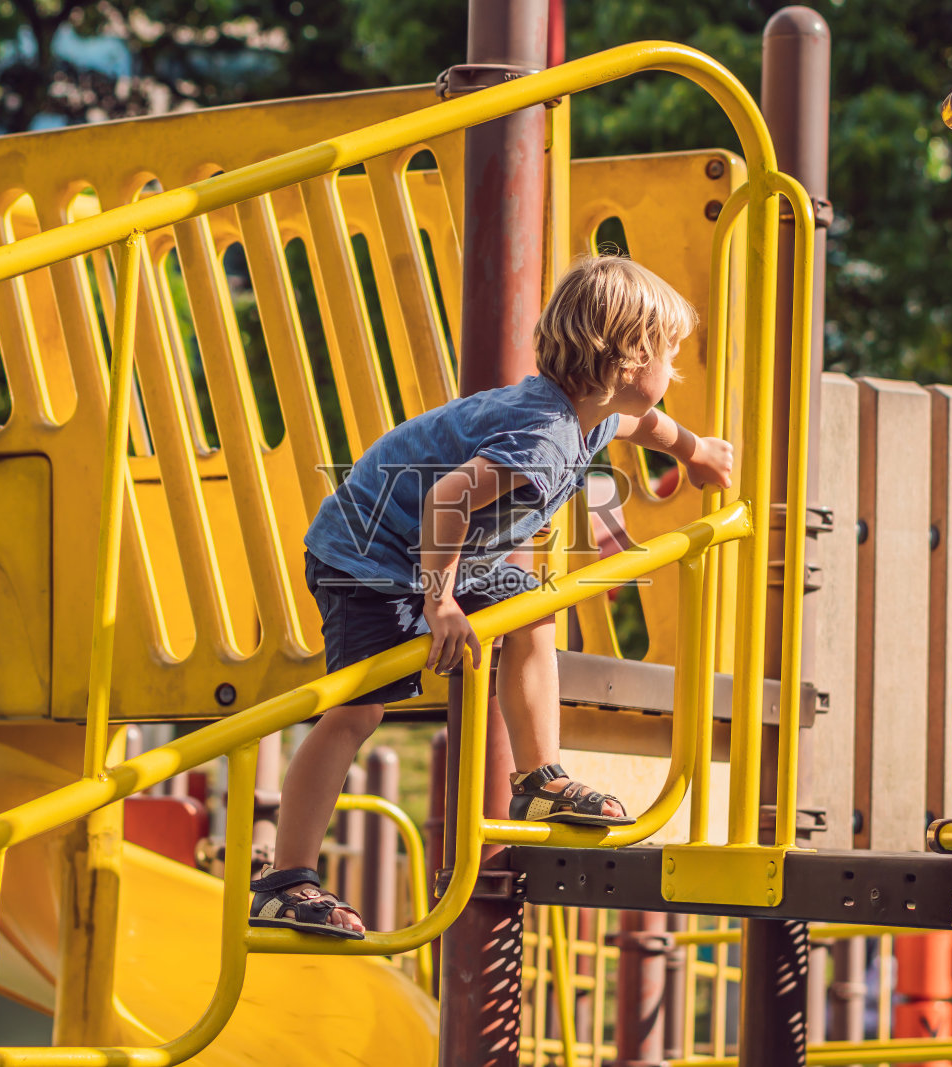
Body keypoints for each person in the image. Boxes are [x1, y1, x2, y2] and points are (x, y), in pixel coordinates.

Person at [249, 254, 735, 939]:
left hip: (437, 553)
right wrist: (440, 600)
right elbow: (447, 496)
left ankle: (540, 778)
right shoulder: (544, 433)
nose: (674, 372)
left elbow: (640, 427)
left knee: (533, 605)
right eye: (670, 356)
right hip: (364, 555)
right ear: (628, 360)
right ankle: (284, 878)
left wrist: (692, 450)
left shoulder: (591, 415)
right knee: (357, 712)